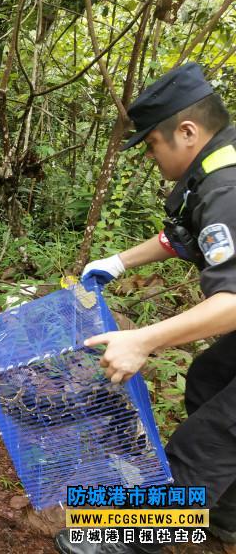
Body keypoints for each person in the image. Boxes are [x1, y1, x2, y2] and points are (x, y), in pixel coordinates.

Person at [55, 63, 236, 554]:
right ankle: (226, 515)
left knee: (209, 439)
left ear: (187, 131)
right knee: (210, 379)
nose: (152, 156)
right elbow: (183, 234)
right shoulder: (218, 165)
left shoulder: (228, 185)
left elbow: (234, 302)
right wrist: (117, 261)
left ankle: (126, 541)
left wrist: (144, 339)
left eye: (153, 144)